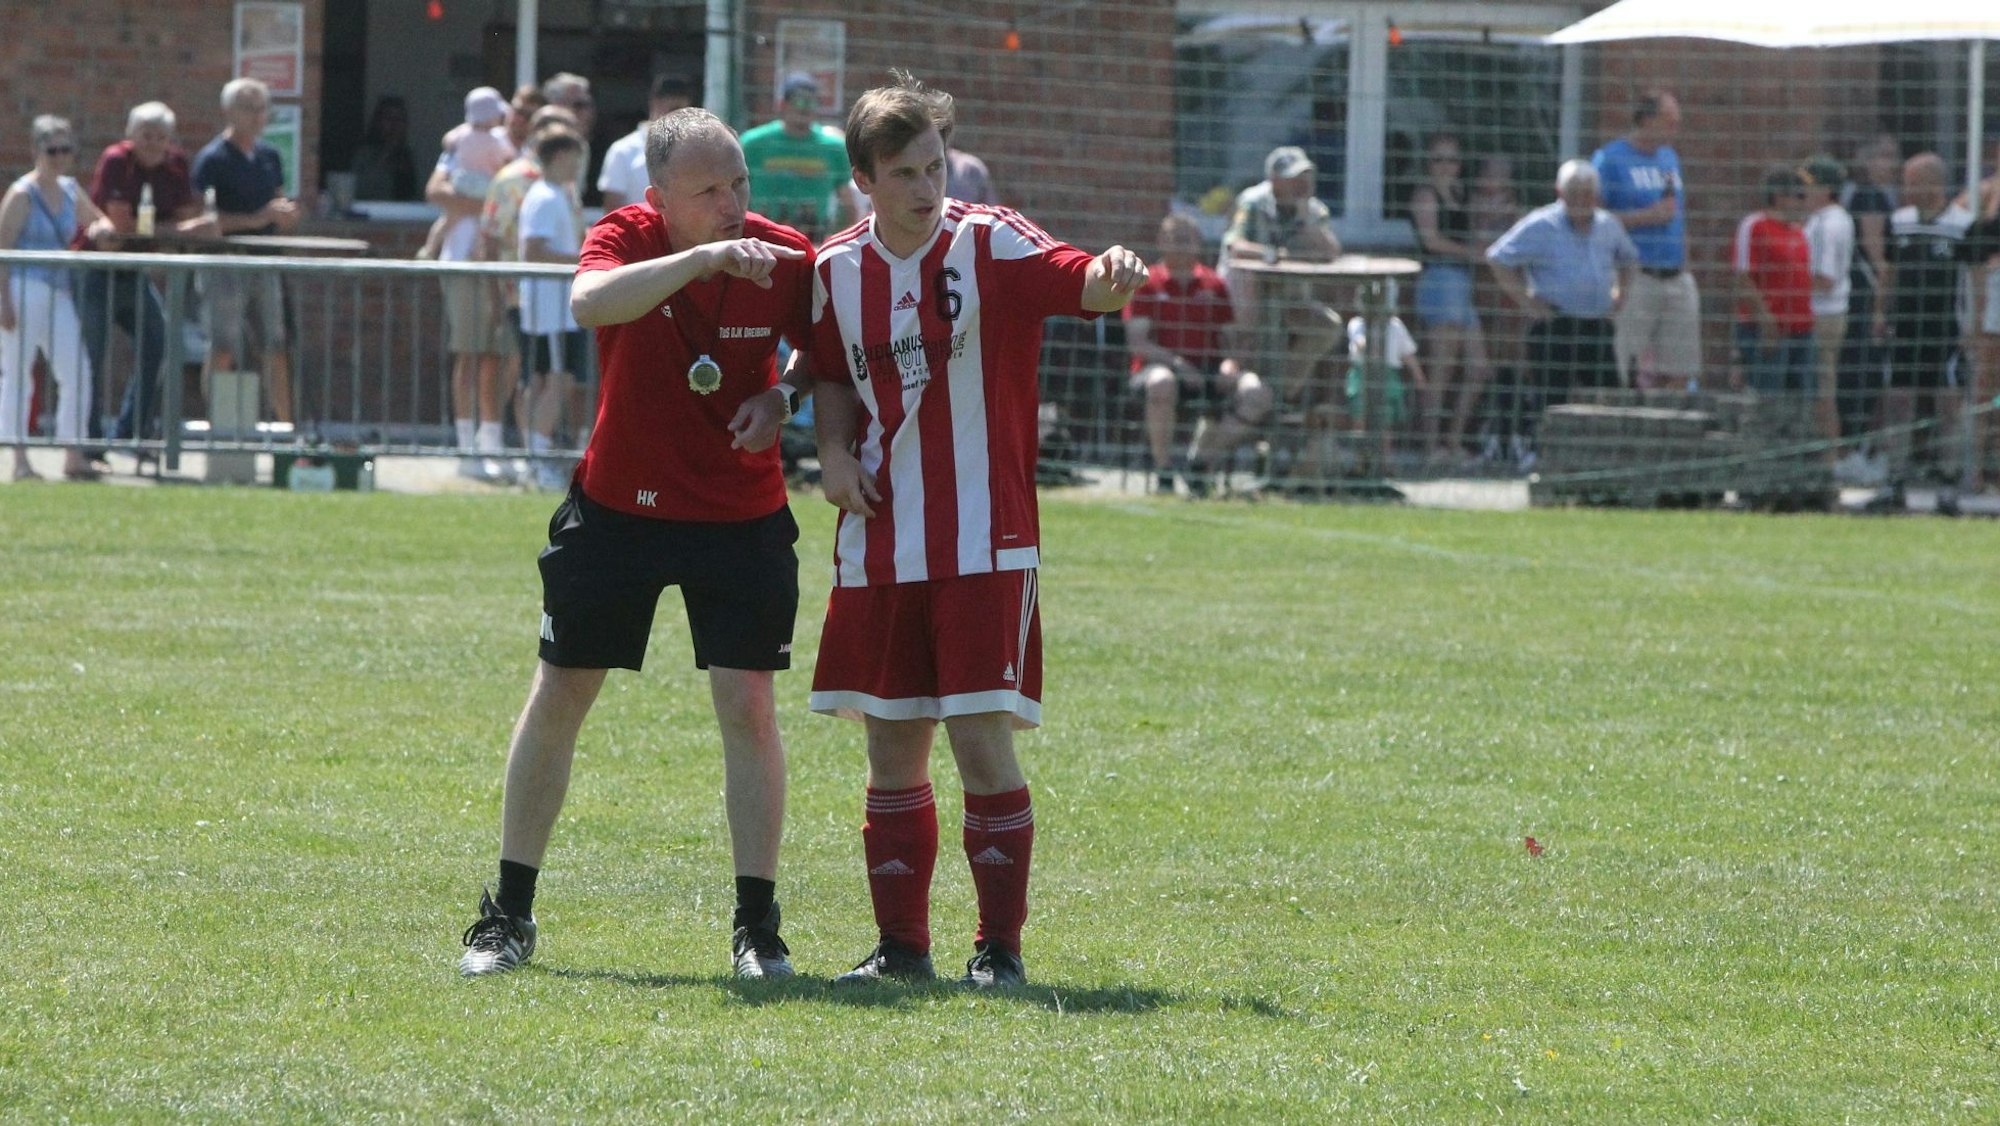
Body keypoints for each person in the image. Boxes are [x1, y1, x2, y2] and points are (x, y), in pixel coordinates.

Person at [454, 106, 817, 981]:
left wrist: (782, 400)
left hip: (740, 514)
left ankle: (756, 931)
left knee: (749, 707)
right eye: (708, 192)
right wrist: (697, 259)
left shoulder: (781, 254)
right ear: (659, 197)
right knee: (561, 693)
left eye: (739, 184)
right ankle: (508, 916)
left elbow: (828, 349)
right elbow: (587, 303)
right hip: (620, 509)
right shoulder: (624, 234)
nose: (732, 205)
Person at [807, 72, 1150, 989]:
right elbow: (831, 376)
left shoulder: (988, 242)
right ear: (864, 182)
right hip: (879, 542)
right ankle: (902, 950)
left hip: (983, 542)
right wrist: (833, 456)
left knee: (979, 742)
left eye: (936, 165)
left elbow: (1078, 277)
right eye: (907, 172)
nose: (928, 186)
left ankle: (999, 951)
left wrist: (1111, 278)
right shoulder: (835, 269)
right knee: (890, 744)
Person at [79, 101, 215, 450]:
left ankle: (129, 434)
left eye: (161, 136)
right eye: (146, 135)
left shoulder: (176, 164)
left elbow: (184, 222)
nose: (153, 143)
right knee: (90, 357)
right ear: (130, 135)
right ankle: (89, 441)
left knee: (160, 345)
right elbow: (123, 227)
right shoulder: (116, 160)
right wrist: (173, 231)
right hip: (97, 270)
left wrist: (170, 231)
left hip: (134, 272)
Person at [1485, 160, 1639, 464]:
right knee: (1551, 397)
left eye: (1588, 192)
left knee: (1607, 396)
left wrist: (1621, 295)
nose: (1582, 199)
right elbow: (1497, 259)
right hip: (1555, 323)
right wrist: (1527, 301)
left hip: (1596, 325)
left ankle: (1603, 460)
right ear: (1559, 192)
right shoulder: (1541, 224)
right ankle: (1543, 457)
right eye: (1574, 192)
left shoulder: (1609, 225)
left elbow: (1629, 259)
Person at [1123, 212, 1270, 495]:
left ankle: (1199, 463)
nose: (1183, 244)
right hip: (1158, 369)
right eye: (1176, 238)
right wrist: (1179, 365)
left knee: (1258, 392)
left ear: (1199, 243)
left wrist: (1232, 363)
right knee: (1162, 382)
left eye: (1189, 238)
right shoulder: (1147, 282)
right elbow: (1138, 343)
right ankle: (1163, 470)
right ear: (1161, 242)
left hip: (1208, 369)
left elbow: (1231, 339)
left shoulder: (1214, 284)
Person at [1, 115, 113, 481]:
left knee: (77, 369)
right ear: (37, 150)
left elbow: (94, 219)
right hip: (22, 287)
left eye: (66, 149)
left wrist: (101, 228)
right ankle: (18, 458)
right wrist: (3, 300)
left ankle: (72, 453)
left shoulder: (69, 189)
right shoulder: (21, 194)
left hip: (58, 289)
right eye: (53, 150)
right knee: (18, 375)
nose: (60, 157)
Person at [426, 86, 519, 482]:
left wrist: (468, 204)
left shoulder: (461, 140)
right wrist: (489, 205)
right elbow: (435, 191)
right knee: (469, 352)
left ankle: (490, 441)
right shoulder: (490, 145)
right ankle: (468, 446)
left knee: (497, 355)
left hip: (496, 259)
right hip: (466, 259)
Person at [193, 77, 299, 424]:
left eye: (262, 108)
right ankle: (220, 428)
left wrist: (285, 212)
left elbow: (278, 199)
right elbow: (204, 220)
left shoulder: (269, 155)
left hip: (265, 263)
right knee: (223, 349)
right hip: (224, 264)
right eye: (248, 108)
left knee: (276, 347)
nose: (257, 116)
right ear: (228, 111)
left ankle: (287, 430)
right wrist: (256, 219)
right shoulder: (212, 159)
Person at [1217, 145, 1344, 430]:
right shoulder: (1252, 201)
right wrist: (1275, 255)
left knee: (1328, 327)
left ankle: (1278, 396)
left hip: (1289, 299)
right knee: (1256, 357)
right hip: (1246, 300)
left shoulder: (1313, 209)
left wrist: (1305, 219)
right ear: (1274, 180)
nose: (1302, 183)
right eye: (1294, 177)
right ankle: (1258, 411)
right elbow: (1235, 246)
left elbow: (1331, 252)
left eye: (1306, 176)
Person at [1874, 153, 1972, 484]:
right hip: (1904, 327)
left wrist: (1972, 325)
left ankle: (1948, 481)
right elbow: (1889, 270)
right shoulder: (1899, 221)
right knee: (1899, 400)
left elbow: (1974, 277)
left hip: (1945, 328)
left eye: (1912, 182)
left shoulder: (1962, 224)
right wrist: (1879, 311)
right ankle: (1894, 479)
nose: (1906, 189)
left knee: (1947, 404)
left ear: (1934, 183)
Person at [1593, 89, 1700, 390]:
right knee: (1626, 366)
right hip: (1635, 276)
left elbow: (1677, 215)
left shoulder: (1669, 158)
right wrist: (1643, 217)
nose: (1675, 129)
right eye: (1670, 122)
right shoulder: (1610, 159)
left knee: (1680, 367)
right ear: (1647, 119)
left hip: (1676, 275)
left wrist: (1687, 267)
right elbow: (1592, 221)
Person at [1407, 133, 1492, 463]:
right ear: (1428, 164)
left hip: (1463, 282)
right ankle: (1431, 448)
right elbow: (1431, 241)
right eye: (1439, 159)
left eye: (1452, 159)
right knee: (1441, 369)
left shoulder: (1461, 194)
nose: (1447, 166)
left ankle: (1453, 440)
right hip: (1440, 280)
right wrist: (1474, 253)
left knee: (1479, 368)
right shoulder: (1425, 196)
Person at [516, 128, 589, 490]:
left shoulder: (554, 195)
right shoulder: (545, 197)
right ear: (561, 157)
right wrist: (585, 260)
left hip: (552, 308)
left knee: (545, 379)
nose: (578, 165)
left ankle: (534, 455)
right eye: (575, 157)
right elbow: (533, 250)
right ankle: (539, 458)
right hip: (552, 307)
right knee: (558, 380)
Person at [1836, 135, 1901, 474]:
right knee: (1864, 370)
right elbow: (1878, 256)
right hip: (1866, 297)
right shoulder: (1869, 197)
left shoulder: (1873, 195)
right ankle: (1856, 448)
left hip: (1859, 296)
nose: (1893, 164)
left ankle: (1861, 446)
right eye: (1885, 156)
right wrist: (1884, 302)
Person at [739, 72, 859, 242]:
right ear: (783, 104)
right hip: (758, 239)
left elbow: (848, 202)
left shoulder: (833, 147)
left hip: (813, 239)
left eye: (811, 102)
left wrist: (838, 241)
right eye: (798, 101)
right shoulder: (752, 143)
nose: (804, 108)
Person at [1730, 167, 1815, 395]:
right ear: (1779, 197)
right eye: (1799, 196)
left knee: (1801, 398)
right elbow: (1742, 277)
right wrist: (1766, 321)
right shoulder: (1756, 226)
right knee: (1767, 396)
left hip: (1802, 329)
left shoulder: (1799, 232)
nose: (1804, 203)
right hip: (1768, 329)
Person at [1468, 155, 1525, 463]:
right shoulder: (1473, 201)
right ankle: (1482, 430)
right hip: (1481, 286)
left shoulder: (1514, 203)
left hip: (1508, 289)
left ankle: (1512, 428)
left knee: (1511, 356)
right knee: (1485, 357)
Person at [1799, 155, 1855, 444]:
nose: (1802, 193)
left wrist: (1788, 285)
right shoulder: (1837, 219)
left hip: (1821, 314)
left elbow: (1824, 279)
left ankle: (1828, 458)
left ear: (1826, 189)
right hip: (1832, 313)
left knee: (1821, 391)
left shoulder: (1824, 225)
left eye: (1808, 186)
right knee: (1822, 388)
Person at [600, 75, 695, 211]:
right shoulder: (622, 151)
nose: (677, 117)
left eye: (683, 112)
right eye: (673, 109)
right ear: (654, 103)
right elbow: (612, 209)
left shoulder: (694, 151)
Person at [349, 95, 418, 202]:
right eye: (388, 118)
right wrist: (384, 157)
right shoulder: (362, 154)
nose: (394, 124)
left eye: (399, 119)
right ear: (378, 121)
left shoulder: (409, 157)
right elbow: (356, 191)